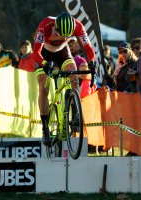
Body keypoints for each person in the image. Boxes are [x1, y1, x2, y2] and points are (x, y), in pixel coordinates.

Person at [32, 12, 95, 146]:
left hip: (62, 52)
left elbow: (88, 47)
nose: (63, 37)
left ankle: (76, 112)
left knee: (73, 75)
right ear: (56, 27)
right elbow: (36, 52)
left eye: (67, 35)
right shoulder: (45, 25)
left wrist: (92, 61)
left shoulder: (78, 26)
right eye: (61, 34)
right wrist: (44, 65)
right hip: (43, 54)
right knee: (43, 87)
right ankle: (45, 128)